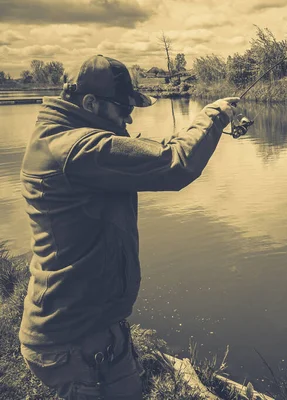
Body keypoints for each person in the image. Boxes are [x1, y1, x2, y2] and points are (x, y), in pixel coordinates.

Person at [18, 54, 240, 399]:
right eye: (122, 107)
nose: (129, 115)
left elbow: (140, 155)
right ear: (90, 103)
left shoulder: (60, 138)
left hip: (91, 328)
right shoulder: (79, 149)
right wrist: (213, 115)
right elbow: (175, 164)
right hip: (73, 341)